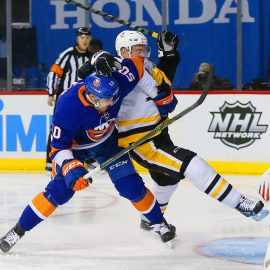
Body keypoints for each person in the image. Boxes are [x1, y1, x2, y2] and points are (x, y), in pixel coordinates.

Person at [80, 30, 268, 234]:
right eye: (138, 50)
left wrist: (168, 53)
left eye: (144, 49)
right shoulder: (114, 69)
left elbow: (163, 80)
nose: (143, 54)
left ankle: (149, 219)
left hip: (159, 132)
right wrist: (96, 60)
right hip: (141, 141)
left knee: (167, 179)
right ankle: (239, 202)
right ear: (124, 51)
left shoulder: (147, 66)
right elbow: (86, 77)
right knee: (190, 162)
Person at [0, 57, 176, 253]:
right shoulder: (67, 105)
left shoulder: (116, 84)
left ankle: (159, 223)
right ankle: (17, 231)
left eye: (114, 98)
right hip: (76, 149)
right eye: (107, 100)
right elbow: (57, 148)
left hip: (108, 142)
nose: (112, 103)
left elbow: (136, 64)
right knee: (59, 192)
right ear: (92, 97)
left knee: (131, 187)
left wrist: (158, 93)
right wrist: (70, 167)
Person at [45, 27, 94, 173]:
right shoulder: (67, 55)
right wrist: (51, 93)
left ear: (90, 39)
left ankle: (89, 159)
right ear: (77, 39)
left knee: (86, 128)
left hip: (84, 101)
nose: (84, 40)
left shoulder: (91, 58)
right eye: (82, 37)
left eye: (87, 37)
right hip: (65, 101)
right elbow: (54, 73)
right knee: (58, 129)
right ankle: (50, 160)